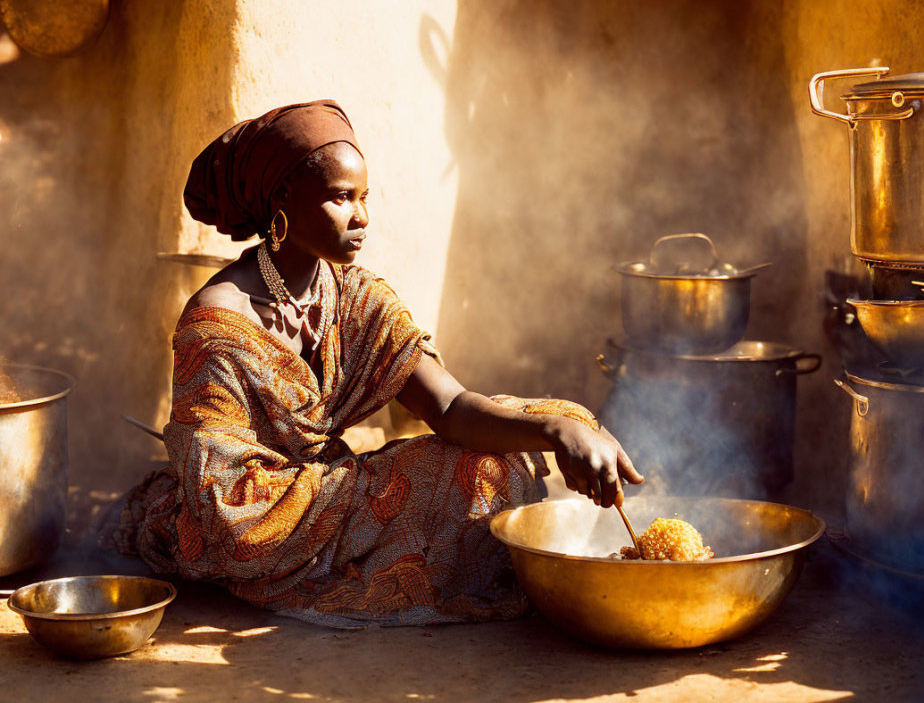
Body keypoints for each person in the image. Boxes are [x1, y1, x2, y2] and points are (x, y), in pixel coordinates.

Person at [110, 100, 643, 628]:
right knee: (437, 480)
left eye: (365, 198)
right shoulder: (216, 323)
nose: (361, 217)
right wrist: (367, 486)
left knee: (494, 465)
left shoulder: (357, 296)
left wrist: (558, 428)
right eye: (341, 198)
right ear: (282, 199)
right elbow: (224, 501)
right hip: (254, 522)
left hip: (334, 494)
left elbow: (453, 407)